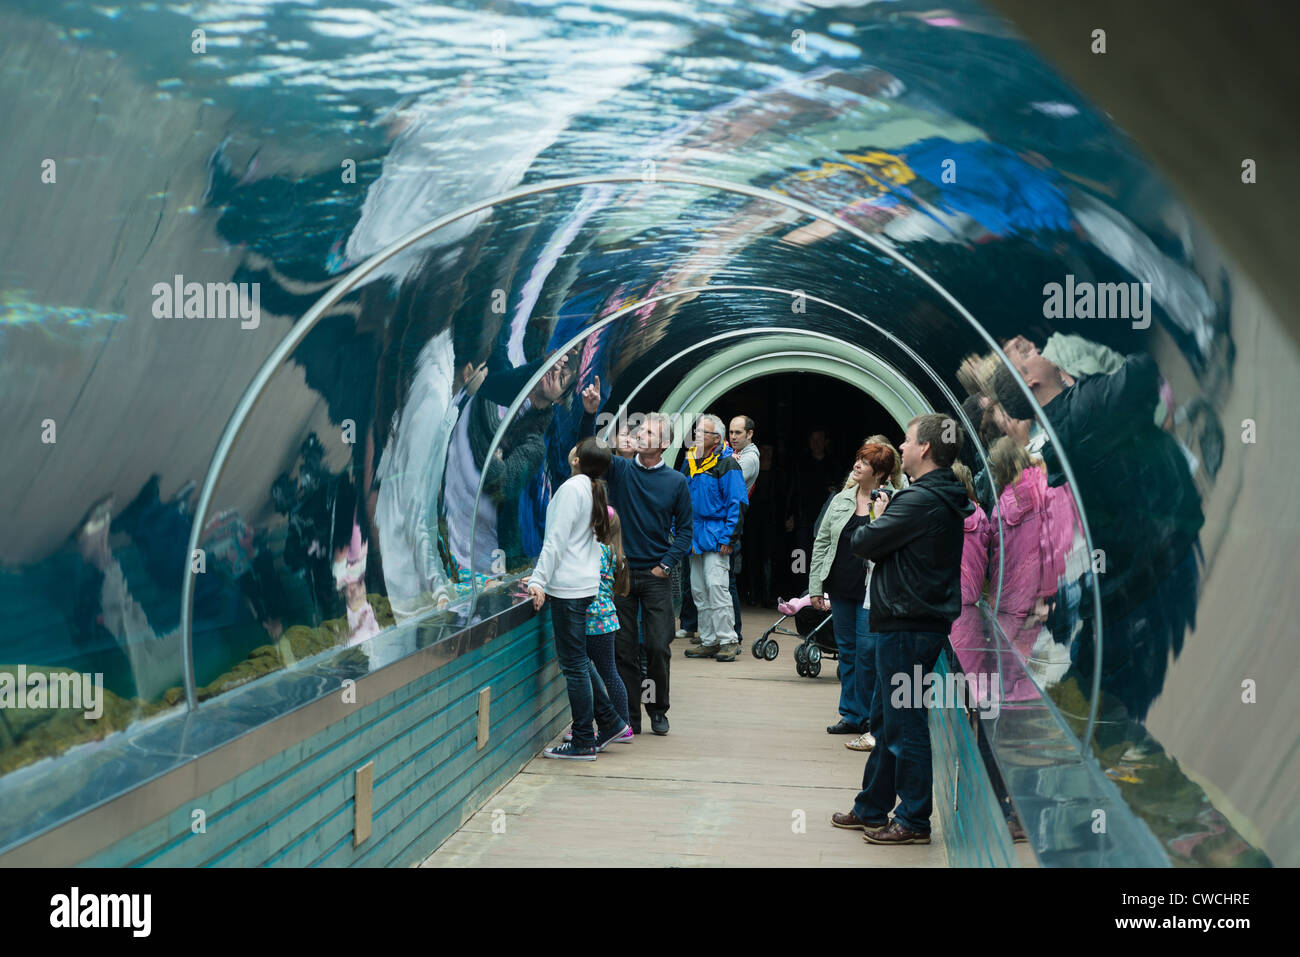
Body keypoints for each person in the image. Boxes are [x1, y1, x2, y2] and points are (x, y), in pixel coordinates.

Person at [992, 348, 1203, 723]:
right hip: (1164, 548)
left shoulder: (1062, 426)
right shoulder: (1086, 407)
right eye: (1030, 354)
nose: (1038, 349)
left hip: (1131, 571)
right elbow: (1143, 367)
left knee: (1107, 703)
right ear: (1030, 379)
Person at [831, 413, 972, 846]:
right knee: (886, 720)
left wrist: (873, 512)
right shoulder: (936, 496)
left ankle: (913, 819)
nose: (902, 447)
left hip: (908, 624)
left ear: (925, 448)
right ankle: (872, 805)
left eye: (907, 441)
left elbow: (863, 543)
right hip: (909, 622)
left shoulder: (919, 500)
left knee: (905, 723)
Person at [581, 380, 693, 736]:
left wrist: (667, 564)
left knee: (658, 646)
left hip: (657, 576)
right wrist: (591, 414)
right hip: (623, 574)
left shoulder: (676, 482)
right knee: (624, 649)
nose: (640, 434)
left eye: (647, 431)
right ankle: (631, 717)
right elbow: (589, 454)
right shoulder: (623, 471)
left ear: (662, 443)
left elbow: (687, 531)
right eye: (640, 429)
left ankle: (658, 707)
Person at [527, 437, 630, 759]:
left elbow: (555, 541)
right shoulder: (590, 487)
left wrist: (538, 580)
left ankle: (584, 739)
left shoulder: (572, 490)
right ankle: (610, 721)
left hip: (569, 588)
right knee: (581, 661)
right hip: (583, 585)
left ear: (576, 460)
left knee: (573, 665)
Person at [808, 442, 896, 746]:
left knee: (868, 652)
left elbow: (886, 542)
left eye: (865, 462)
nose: (857, 465)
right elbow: (822, 542)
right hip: (841, 586)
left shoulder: (890, 501)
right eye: (857, 459)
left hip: (872, 590)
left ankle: (873, 717)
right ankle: (851, 714)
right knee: (847, 651)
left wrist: (878, 513)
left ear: (880, 472)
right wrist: (815, 586)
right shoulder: (841, 499)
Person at [682, 415, 748, 662]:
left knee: (718, 588)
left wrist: (729, 538)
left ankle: (728, 640)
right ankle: (709, 640)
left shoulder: (727, 464)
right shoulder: (689, 463)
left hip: (716, 535)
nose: (696, 436)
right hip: (694, 537)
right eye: (696, 431)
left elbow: (737, 503)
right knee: (699, 589)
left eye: (701, 433)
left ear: (716, 439)